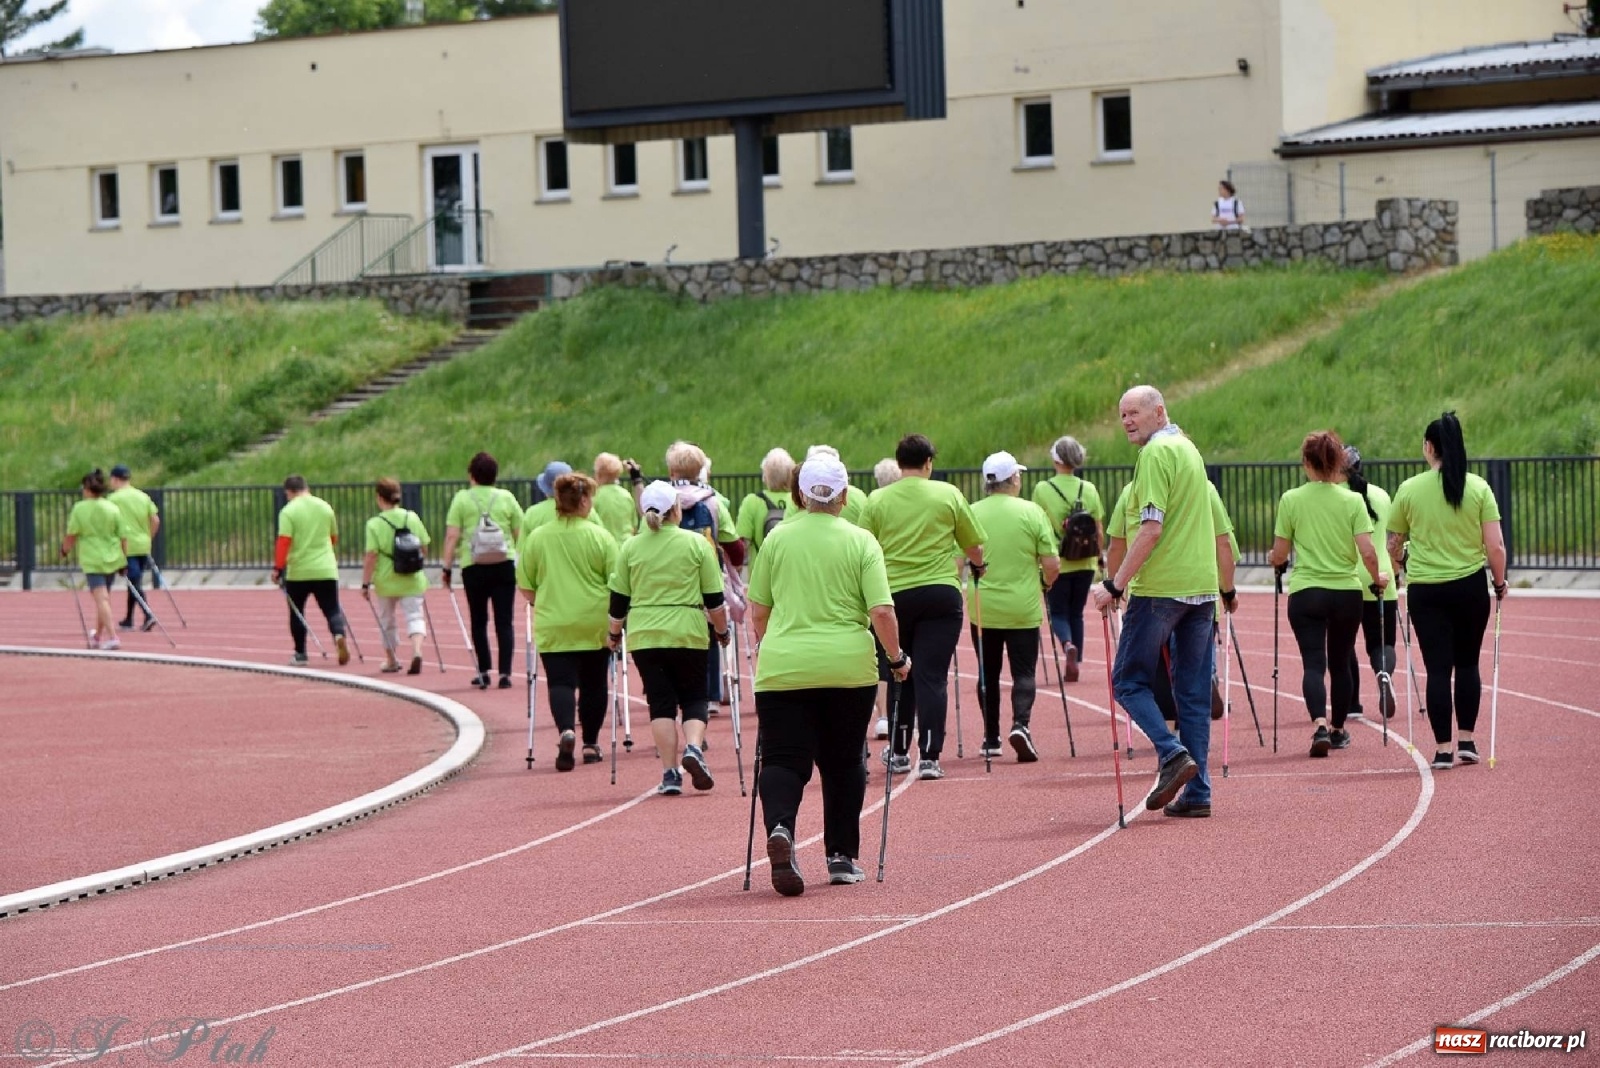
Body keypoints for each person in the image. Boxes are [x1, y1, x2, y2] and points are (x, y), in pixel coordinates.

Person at [749, 454, 909, 895]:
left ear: (800, 494)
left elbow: (758, 611)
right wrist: (896, 658)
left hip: (783, 666)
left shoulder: (777, 539)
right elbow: (881, 611)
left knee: (782, 759)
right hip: (847, 668)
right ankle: (840, 857)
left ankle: (781, 827)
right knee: (843, 761)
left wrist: (772, 644)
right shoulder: (861, 541)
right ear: (844, 496)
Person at [1090, 386, 1232, 819]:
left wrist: (1115, 585)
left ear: (1159, 411)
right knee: (1192, 694)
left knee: (1127, 681)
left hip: (1161, 588)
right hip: (1201, 588)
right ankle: (1199, 792)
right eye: (1122, 415)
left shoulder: (1154, 455)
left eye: (1134, 412)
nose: (1127, 421)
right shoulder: (1189, 450)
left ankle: (1171, 752)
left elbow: (1150, 528)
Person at [862, 433, 986, 781]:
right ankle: (930, 756)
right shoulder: (948, 494)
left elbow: (862, 545)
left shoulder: (877, 500)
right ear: (929, 462)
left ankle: (900, 751)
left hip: (893, 595)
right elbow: (974, 545)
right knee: (932, 676)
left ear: (899, 463)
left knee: (900, 670)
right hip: (939, 593)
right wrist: (979, 565)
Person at [1387, 412, 1507, 770]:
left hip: (1426, 590)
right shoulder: (1478, 488)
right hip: (1470, 586)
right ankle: (1467, 740)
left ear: (1429, 447)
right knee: (1468, 663)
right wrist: (1499, 582)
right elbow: (1496, 546)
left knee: (1437, 669)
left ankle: (1442, 749)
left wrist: (1399, 566)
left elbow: (1393, 543)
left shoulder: (1409, 489)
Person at [1267, 431, 1386, 757]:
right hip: (1346, 592)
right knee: (1340, 663)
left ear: (1306, 463)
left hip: (1307, 591)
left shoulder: (1291, 499)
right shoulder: (1353, 501)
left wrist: (1274, 558)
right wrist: (1378, 577)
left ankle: (1319, 723)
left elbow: (1280, 553)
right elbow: (1368, 552)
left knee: (1313, 663)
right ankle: (1338, 728)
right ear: (1337, 463)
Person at [608, 481, 729, 795]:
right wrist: (722, 630)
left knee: (660, 704)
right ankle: (694, 747)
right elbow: (714, 599)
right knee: (694, 697)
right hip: (688, 630)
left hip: (645, 635)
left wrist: (613, 634)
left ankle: (670, 773)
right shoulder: (697, 544)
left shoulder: (630, 547)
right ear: (676, 510)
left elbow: (618, 600)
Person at [520, 473, 619, 770]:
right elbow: (616, 581)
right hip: (593, 620)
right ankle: (590, 743)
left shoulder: (539, 537)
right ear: (584, 500)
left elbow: (526, 584)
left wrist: (541, 601)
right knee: (594, 683)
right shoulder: (600, 536)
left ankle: (566, 730)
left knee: (560, 682)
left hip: (554, 620)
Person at [969, 451, 1060, 762]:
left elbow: (959, 560)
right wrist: (1045, 582)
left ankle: (990, 737)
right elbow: (1052, 563)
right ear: (1013, 479)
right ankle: (1021, 724)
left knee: (987, 673)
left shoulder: (972, 512)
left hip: (983, 607)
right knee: (1023, 671)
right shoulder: (1031, 512)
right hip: (1022, 606)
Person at [665, 441, 745, 706]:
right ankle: (710, 695)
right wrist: (735, 566)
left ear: (672, 471)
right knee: (710, 633)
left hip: (670, 578)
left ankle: (678, 691)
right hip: (706, 575)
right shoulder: (713, 502)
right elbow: (734, 545)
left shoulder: (663, 500)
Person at [442, 452, 524, 689]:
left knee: (479, 620)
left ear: (471, 475)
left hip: (474, 566)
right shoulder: (506, 498)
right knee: (504, 621)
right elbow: (520, 533)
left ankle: (484, 670)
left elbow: (452, 536)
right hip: (504, 564)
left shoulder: (462, 499)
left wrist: (447, 567)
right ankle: (505, 673)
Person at [1031, 436, 1104, 682]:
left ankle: (1066, 643)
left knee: (1058, 612)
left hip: (1058, 561)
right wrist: (1099, 556)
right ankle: (1077, 659)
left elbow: (1038, 525)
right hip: (1086, 562)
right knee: (1077, 613)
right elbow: (1098, 529)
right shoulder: (1089, 489)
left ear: (1056, 459)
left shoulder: (1043, 489)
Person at [1342, 446, 1398, 721]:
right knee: (1381, 641)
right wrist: (1396, 570)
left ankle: (1352, 702)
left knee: (1344, 643)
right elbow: (1391, 537)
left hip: (1347, 578)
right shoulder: (1382, 496)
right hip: (1381, 576)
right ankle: (1383, 672)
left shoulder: (1338, 497)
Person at [274, 475, 351, 667]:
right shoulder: (325, 507)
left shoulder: (288, 511)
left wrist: (278, 568)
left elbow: (284, 541)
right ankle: (339, 634)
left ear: (289, 492)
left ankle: (301, 654)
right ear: (306, 488)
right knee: (332, 609)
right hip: (325, 568)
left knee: (297, 612)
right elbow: (333, 537)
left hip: (299, 571)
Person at [361, 477, 431, 675]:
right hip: (412, 578)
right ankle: (417, 650)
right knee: (415, 615)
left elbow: (371, 556)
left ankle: (391, 660)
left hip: (386, 580)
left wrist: (365, 583)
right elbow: (424, 547)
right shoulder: (412, 517)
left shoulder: (374, 524)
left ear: (379, 497)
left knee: (387, 620)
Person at [61, 469, 131, 650]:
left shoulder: (80, 509)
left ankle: (113, 637)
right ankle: (98, 636)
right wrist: (124, 559)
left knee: (101, 599)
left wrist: (64, 550)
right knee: (104, 599)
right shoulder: (112, 508)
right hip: (112, 558)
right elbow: (123, 536)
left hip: (93, 559)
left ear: (87, 489)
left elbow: (72, 535)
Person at [868, 456, 905, 740]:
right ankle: (905, 711)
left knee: (883, 654)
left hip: (883, 584)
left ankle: (883, 716)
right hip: (912, 583)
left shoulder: (874, 503)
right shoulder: (908, 503)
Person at [107, 464, 160, 633]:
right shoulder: (142, 496)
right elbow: (155, 520)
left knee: (134, 582)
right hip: (143, 545)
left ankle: (148, 614)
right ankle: (128, 619)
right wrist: (148, 537)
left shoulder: (113, 499)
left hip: (126, 546)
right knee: (133, 581)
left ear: (115, 479)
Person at [737, 448, 796, 559]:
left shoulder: (751, 501)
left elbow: (743, 544)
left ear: (766, 475)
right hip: (790, 565)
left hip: (760, 566)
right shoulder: (797, 501)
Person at [592, 453, 638, 545]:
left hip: (605, 545)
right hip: (626, 545)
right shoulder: (626, 495)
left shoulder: (595, 496)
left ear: (599, 474)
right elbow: (634, 525)